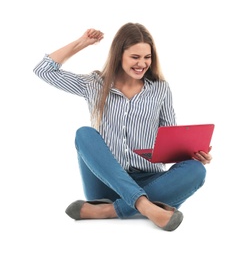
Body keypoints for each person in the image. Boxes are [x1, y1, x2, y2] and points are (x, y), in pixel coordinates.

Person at [33, 22, 212, 231]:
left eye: (147, 57)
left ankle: (108, 210)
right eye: (135, 57)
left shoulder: (160, 89)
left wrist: (192, 155)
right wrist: (82, 43)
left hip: (151, 182)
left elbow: (169, 141)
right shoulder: (94, 84)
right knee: (84, 134)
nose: (142, 63)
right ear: (119, 55)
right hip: (106, 182)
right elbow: (44, 70)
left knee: (196, 170)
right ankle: (145, 206)